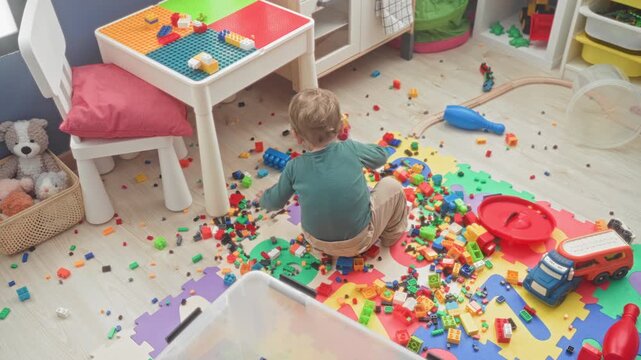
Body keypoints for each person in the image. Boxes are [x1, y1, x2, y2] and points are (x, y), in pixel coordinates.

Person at [259, 88, 408, 257]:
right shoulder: (350, 148)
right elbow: (381, 157)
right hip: (359, 241)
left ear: (297, 136)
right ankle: (391, 235)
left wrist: (263, 199)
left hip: (314, 241)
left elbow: (275, 202)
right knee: (392, 185)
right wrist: (352, 143)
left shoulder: (294, 167)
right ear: (340, 125)